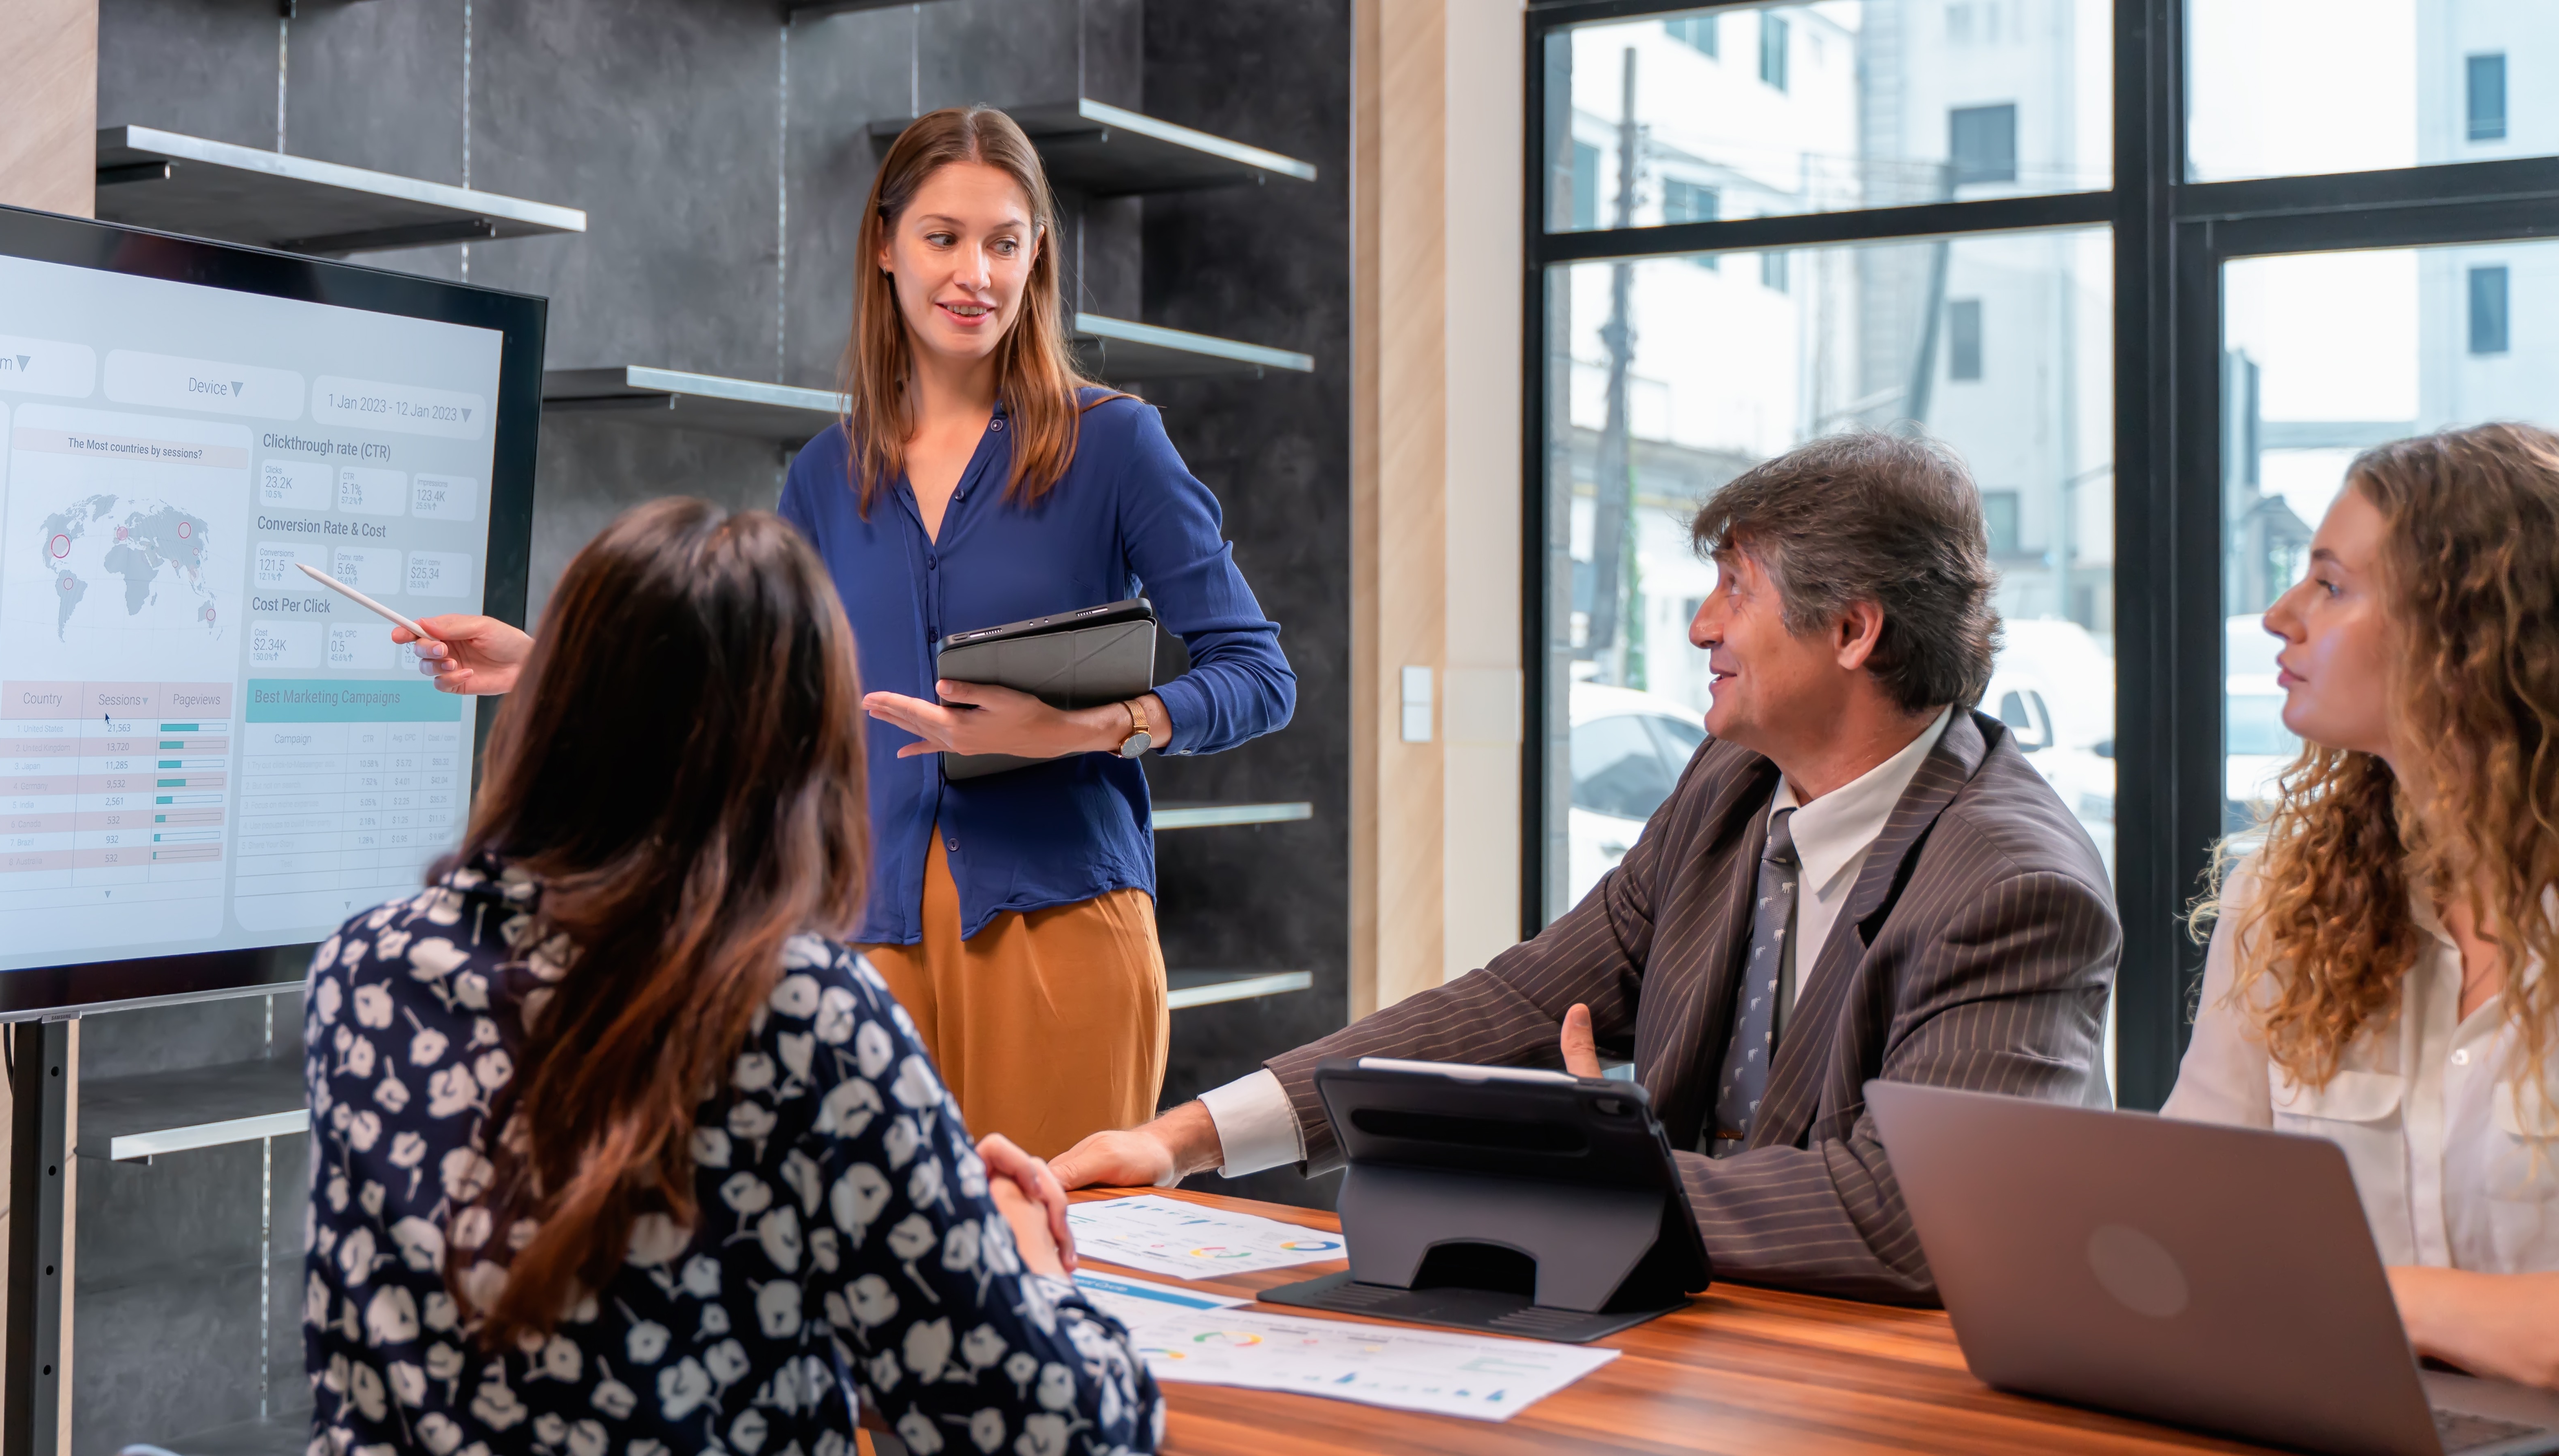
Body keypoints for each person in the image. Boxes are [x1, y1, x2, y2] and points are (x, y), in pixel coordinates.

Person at [391, 105, 1296, 1161]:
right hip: (861, 927)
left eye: (1005, 242)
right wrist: (548, 660)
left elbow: (1256, 673)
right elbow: (749, 678)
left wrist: (1091, 728)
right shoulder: (828, 471)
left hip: (1062, 930)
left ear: (1037, 254)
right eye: (943, 237)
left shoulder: (1114, 443)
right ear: (885, 245)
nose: (976, 274)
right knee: (867, 1284)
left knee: (1058, 1265)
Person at [1054, 431, 2120, 1305]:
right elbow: (1520, 998)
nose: (1702, 625)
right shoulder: (1730, 783)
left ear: (1852, 629)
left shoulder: (2015, 885)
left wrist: (1574, 1178)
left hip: (1888, 1385)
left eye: (1733, 590)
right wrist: (1182, 1137)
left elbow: (1906, 1212)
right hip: (1693, 1341)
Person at [306, 498, 1163, 1454]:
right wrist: (1020, 1255)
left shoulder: (362, 970)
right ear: (801, 751)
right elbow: (1050, 1429)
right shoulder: (802, 1012)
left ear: (550, 711)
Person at [2164, 423, 2559, 1390]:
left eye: (2329, 585)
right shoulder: (2283, 893)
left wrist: (2382, 1295)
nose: (2275, 614)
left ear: (2465, 636)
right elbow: (2182, 1204)